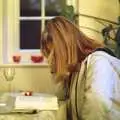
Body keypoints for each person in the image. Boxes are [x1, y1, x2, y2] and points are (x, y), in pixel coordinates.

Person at [41, 16, 120, 120]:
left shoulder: (99, 61)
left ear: (66, 47)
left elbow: (97, 102)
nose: (52, 60)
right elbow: (60, 102)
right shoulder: (74, 70)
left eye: (54, 54)